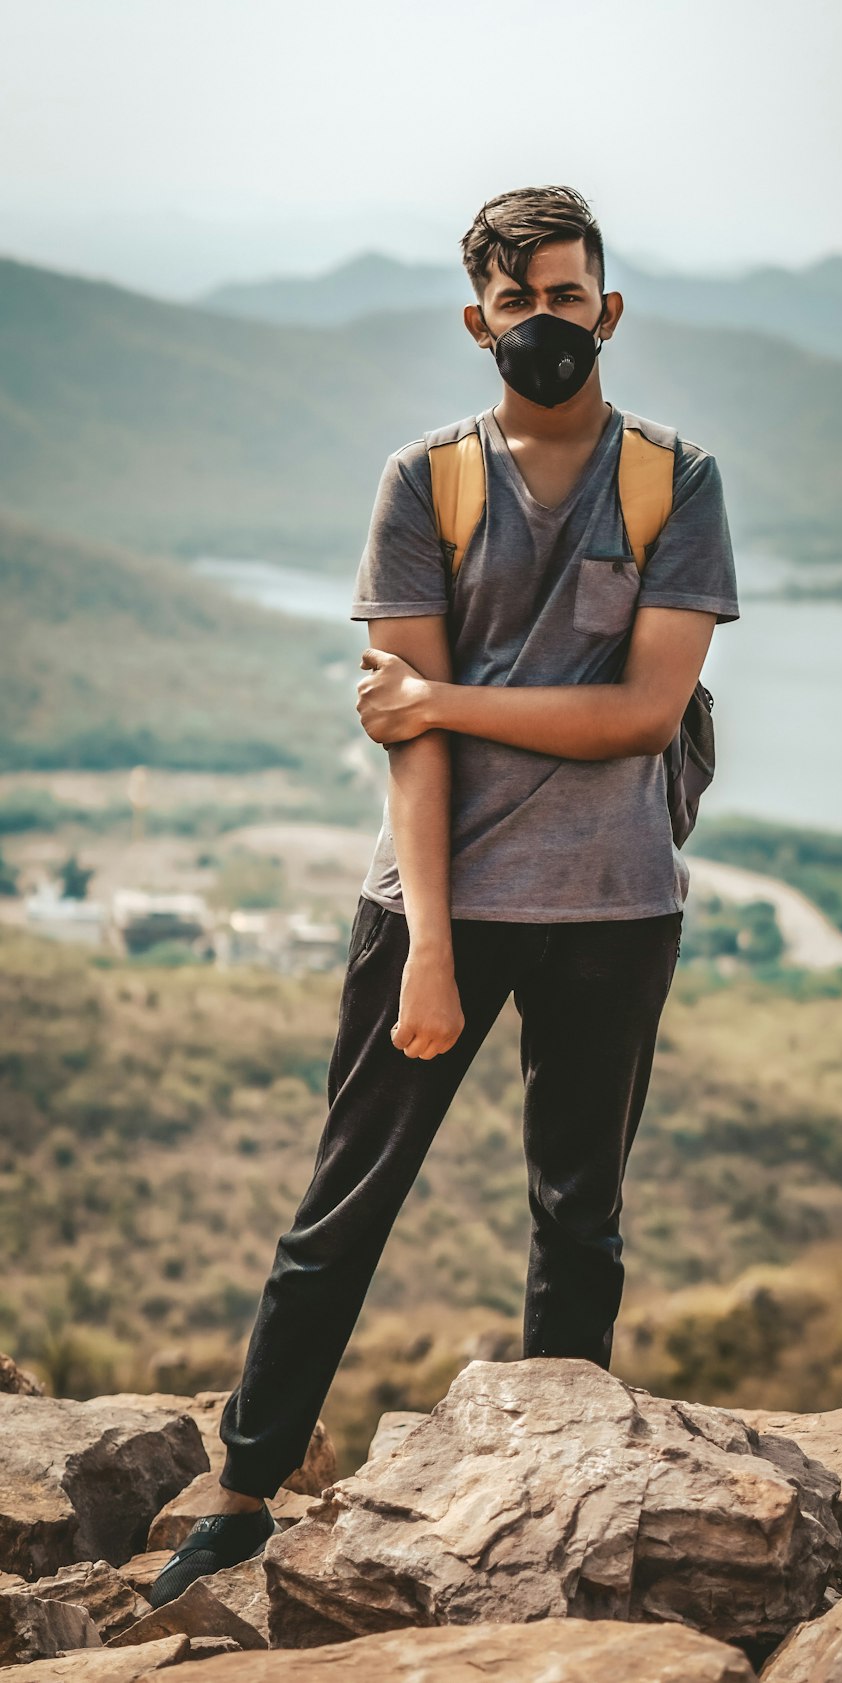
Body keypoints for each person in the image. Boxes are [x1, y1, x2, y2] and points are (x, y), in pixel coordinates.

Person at [149, 184, 740, 1605]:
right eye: (521, 301)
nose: (550, 321)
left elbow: (647, 716)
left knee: (578, 1216)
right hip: (436, 905)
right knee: (342, 1207)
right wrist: (427, 945)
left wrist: (445, 699)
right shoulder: (428, 482)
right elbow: (406, 750)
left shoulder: (676, 479)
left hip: (616, 904)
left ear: (612, 306)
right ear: (481, 321)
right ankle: (241, 1495)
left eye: (570, 294)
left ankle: (562, 1485)